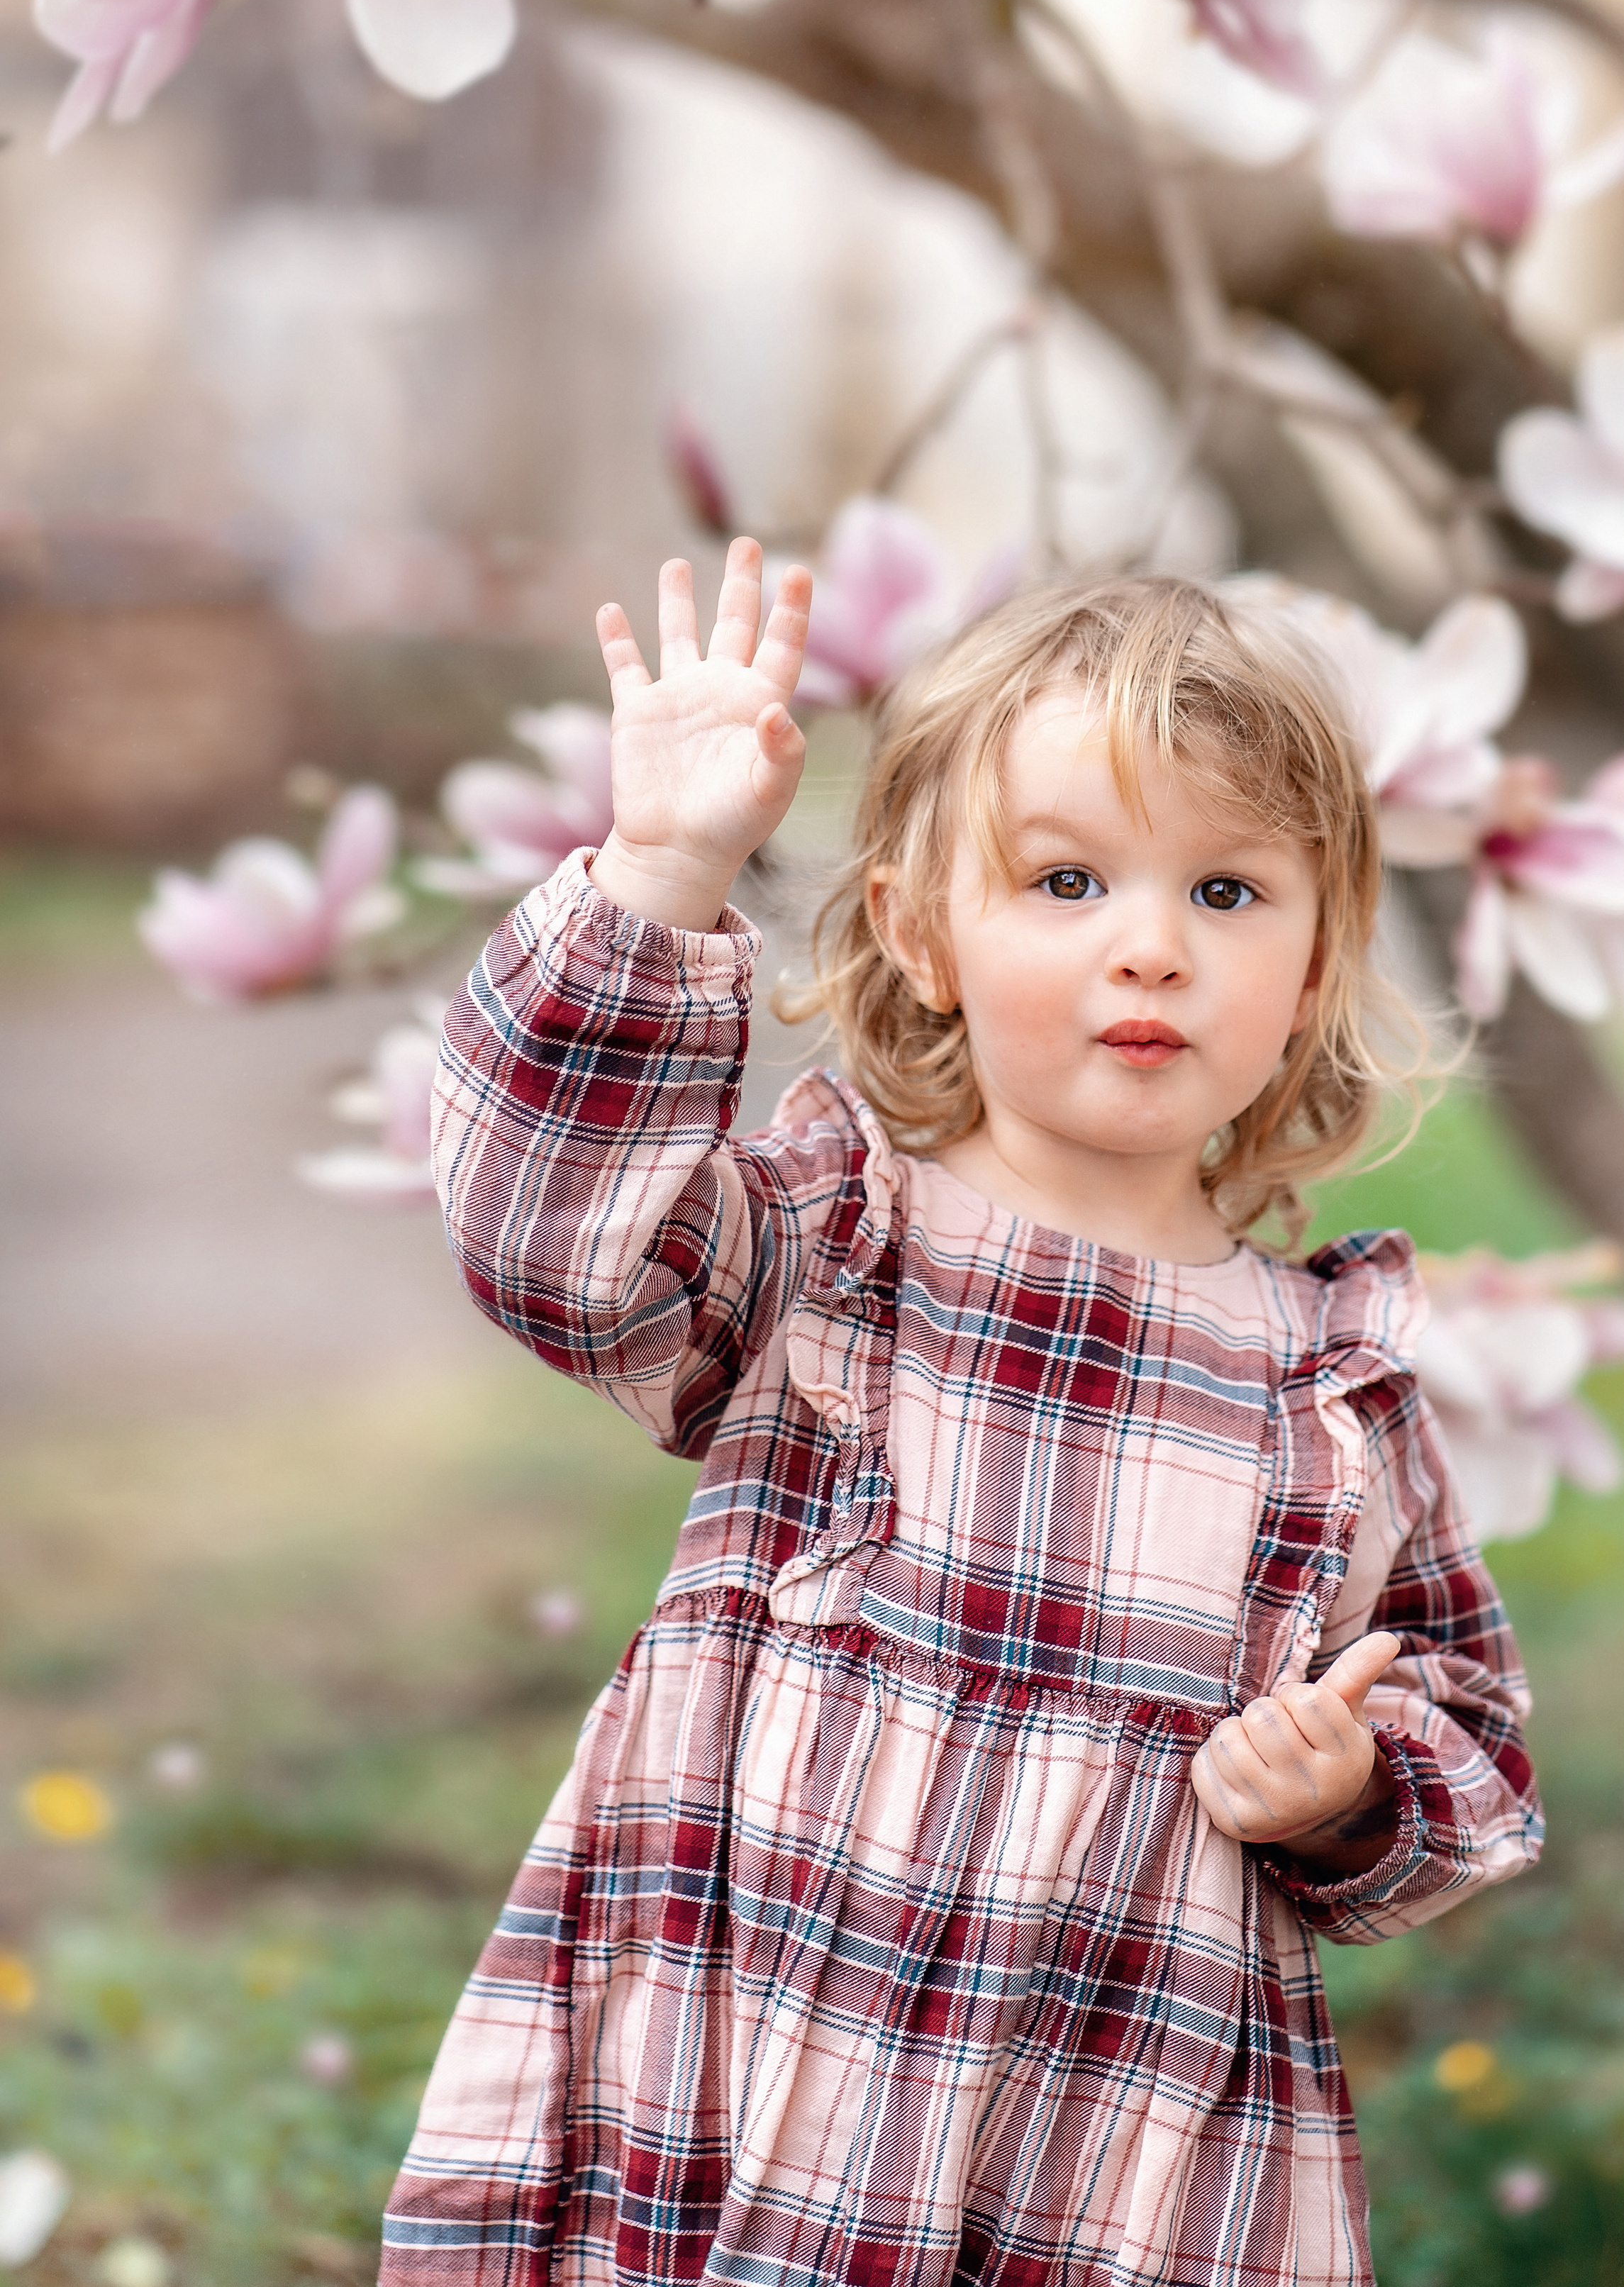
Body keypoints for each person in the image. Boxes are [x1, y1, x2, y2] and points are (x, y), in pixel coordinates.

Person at [381, 542, 1541, 2287]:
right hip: (756, 2048)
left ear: (1312, 966)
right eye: (1063, 882)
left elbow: (1469, 1743)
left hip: (1110, 2130)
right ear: (926, 932)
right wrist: (662, 870)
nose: (1148, 947)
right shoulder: (838, 1236)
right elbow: (552, 1244)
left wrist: (1344, 1785)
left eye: (1226, 895)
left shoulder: (1330, 1381)